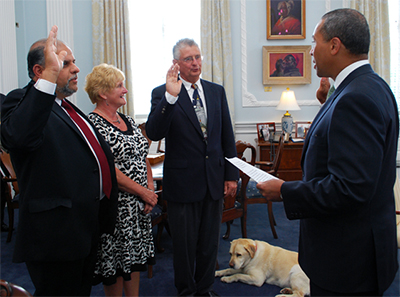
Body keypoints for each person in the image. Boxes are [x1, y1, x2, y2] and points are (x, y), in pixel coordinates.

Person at [257, 8, 399, 296]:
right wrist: (328, 102)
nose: (310, 51)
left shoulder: (355, 99)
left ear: (334, 46)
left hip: (347, 260)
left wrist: (285, 191)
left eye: (314, 42)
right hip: (359, 249)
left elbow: (349, 187)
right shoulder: (372, 86)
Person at [0, 26, 118, 296]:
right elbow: (18, 136)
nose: (76, 69)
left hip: (84, 227)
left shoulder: (68, 107)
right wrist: (51, 79)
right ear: (41, 72)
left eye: (73, 62)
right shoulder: (20, 101)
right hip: (55, 235)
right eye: (65, 63)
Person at [146, 38, 239, 296]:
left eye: (198, 57)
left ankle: (205, 288)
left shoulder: (215, 91)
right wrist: (170, 97)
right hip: (183, 183)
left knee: (209, 244)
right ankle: (186, 291)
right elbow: (154, 132)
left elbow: (226, 137)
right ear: (176, 63)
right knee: (185, 246)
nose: (196, 63)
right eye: (188, 59)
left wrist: (231, 175)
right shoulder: (162, 93)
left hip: (214, 180)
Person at [84, 63, 158, 297]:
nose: (125, 90)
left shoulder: (127, 118)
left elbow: (141, 154)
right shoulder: (93, 124)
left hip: (137, 208)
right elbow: (108, 170)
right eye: (119, 86)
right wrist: (143, 192)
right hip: (115, 209)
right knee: (114, 265)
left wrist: (149, 187)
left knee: (134, 259)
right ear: (103, 93)